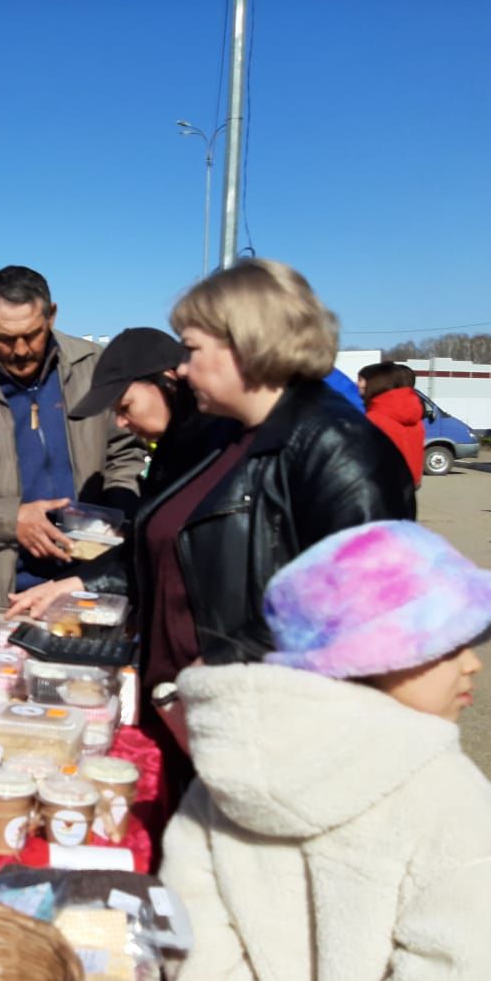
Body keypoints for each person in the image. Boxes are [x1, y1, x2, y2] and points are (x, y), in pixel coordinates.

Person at [161, 521, 491, 981]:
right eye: (449, 644)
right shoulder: (459, 812)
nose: (474, 663)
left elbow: (193, 937)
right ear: (372, 656)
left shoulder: (228, 776)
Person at [140, 260, 416, 750]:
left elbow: (358, 605)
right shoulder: (225, 436)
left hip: (266, 733)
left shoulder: (339, 446)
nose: (181, 369)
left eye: (192, 349)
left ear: (243, 345)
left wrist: (219, 666)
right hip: (199, 716)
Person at [0, 266, 146, 608]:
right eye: (5, 338)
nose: (21, 350)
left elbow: (125, 453)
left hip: (93, 579)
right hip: (0, 593)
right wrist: (9, 519)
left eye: (32, 335)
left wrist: (116, 508)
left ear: (52, 316)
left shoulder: (93, 369)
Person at [6, 327, 232, 618]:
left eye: (126, 407)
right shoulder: (169, 453)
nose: (122, 423)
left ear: (169, 380)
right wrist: (71, 583)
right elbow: (148, 557)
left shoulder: (219, 449)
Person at [357, 361, 424, 485]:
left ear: (374, 383)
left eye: (361, 379)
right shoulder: (412, 414)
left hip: (381, 488)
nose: (357, 384)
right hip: (409, 484)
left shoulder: (375, 419)